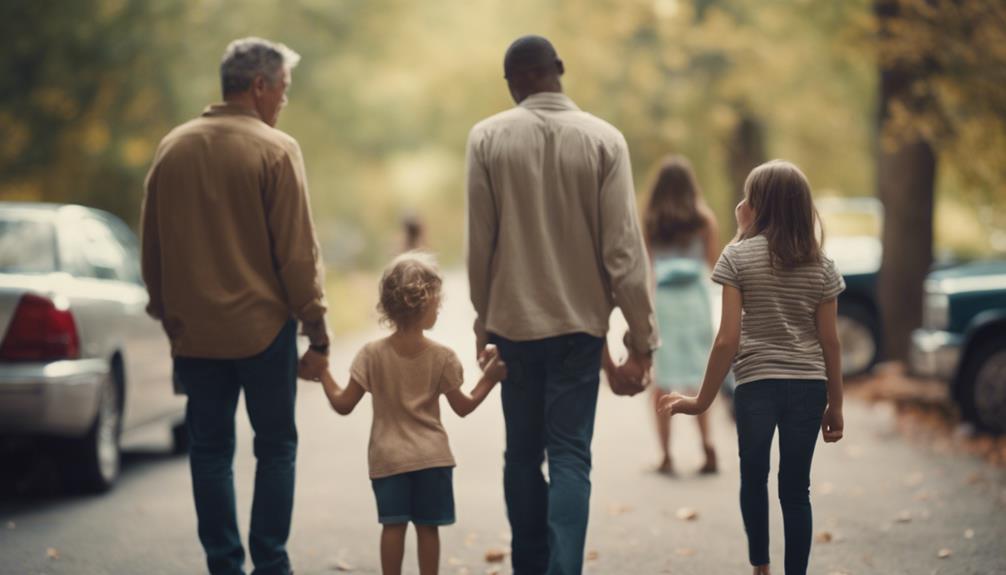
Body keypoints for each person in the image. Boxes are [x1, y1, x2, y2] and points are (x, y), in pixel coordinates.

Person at [466, 35, 659, 574]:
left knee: (521, 456)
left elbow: (480, 244)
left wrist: (483, 322)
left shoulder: (486, 139)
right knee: (571, 454)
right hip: (579, 332)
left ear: (512, 84)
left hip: (512, 327)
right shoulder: (605, 140)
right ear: (559, 70)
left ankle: (528, 566)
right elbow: (623, 251)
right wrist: (642, 342)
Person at [141, 37, 328, 575]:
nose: (284, 102)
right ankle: (270, 563)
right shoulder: (276, 149)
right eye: (284, 90)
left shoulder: (172, 146)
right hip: (264, 332)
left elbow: (151, 243)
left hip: (194, 333)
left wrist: (167, 313)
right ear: (259, 86)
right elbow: (297, 255)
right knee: (275, 448)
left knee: (210, 450)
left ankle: (224, 565)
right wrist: (316, 330)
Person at [661, 160, 846, 575]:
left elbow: (727, 339)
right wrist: (835, 405)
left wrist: (700, 401)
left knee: (754, 479)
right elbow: (831, 342)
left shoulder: (737, 256)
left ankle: (760, 569)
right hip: (808, 386)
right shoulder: (823, 265)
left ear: (758, 205)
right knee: (797, 491)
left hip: (756, 386)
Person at [317, 252, 507, 575]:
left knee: (392, 527)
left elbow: (343, 403)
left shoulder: (371, 355)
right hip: (432, 459)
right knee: (427, 528)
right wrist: (489, 379)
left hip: (388, 460)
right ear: (426, 302)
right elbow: (463, 406)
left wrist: (323, 373)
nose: (440, 307)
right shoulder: (442, 357)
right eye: (437, 301)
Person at [643, 156, 720, 475]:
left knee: (662, 378)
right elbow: (712, 262)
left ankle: (665, 454)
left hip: (665, 303)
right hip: (695, 300)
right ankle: (707, 446)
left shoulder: (650, 220)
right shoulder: (703, 219)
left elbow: (648, 265)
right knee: (699, 375)